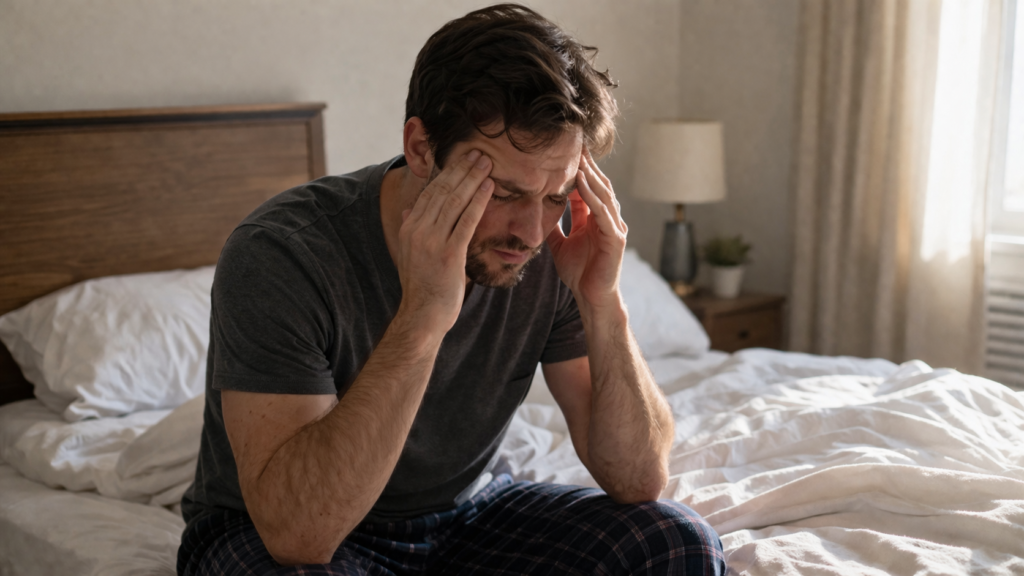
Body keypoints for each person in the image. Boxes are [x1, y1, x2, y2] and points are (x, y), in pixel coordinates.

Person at [177, 4, 726, 575]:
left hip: (466, 515)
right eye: (503, 193)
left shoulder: (550, 250)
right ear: (420, 149)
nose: (531, 232)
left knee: (677, 542)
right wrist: (422, 316)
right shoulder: (283, 252)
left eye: (556, 196)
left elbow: (636, 479)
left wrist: (601, 300)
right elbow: (298, 534)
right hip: (279, 536)